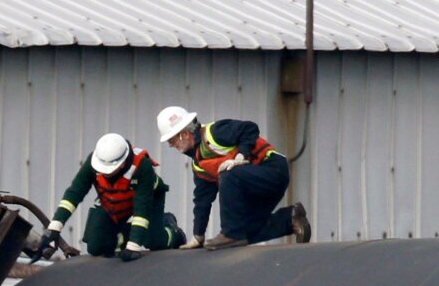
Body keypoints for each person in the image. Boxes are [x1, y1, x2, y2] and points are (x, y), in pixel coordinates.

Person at [157, 105, 310, 249]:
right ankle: (291, 219)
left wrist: (240, 156)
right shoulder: (199, 166)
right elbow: (202, 201)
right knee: (246, 231)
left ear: (184, 134)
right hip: (255, 185)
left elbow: (249, 128)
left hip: (273, 170)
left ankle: (230, 234)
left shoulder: (215, 132)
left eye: (171, 140)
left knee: (228, 172)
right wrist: (198, 236)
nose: (171, 145)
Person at [42, 133, 187, 261]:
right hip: (112, 200)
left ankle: (172, 230)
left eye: (109, 170)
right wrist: (54, 228)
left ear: (123, 163)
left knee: (155, 241)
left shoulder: (142, 167)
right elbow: (74, 193)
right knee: (96, 247)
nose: (105, 174)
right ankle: (126, 233)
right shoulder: (94, 161)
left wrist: (133, 246)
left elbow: (141, 209)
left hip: (148, 199)